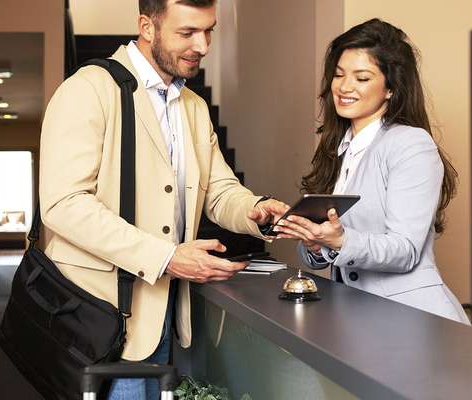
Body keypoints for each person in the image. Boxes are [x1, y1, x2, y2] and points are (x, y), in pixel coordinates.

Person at [39, 0, 287, 398]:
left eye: (209, 31)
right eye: (187, 33)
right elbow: (63, 203)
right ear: (146, 27)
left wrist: (257, 211)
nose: (203, 46)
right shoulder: (87, 90)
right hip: (99, 317)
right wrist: (168, 257)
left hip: (164, 311)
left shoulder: (194, 106)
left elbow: (220, 190)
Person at [273, 18, 470, 325]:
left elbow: (405, 250)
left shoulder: (411, 144)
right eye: (338, 75)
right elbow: (336, 243)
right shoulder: (341, 148)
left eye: (362, 78)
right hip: (359, 317)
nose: (344, 87)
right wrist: (315, 242)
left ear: (391, 87)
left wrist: (338, 240)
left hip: (414, 319)